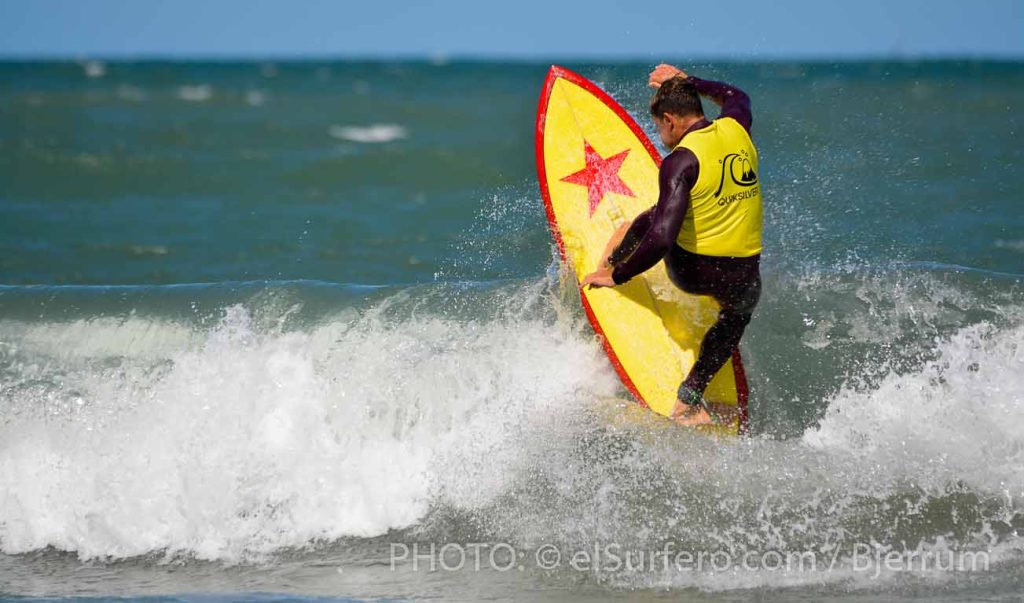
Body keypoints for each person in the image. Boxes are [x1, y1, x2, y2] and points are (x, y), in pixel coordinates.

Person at [581, 64, 763, 427]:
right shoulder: (736, 127)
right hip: (745, 274)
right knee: (735, 316)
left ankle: (615, 255)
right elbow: (735, 96)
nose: (660, 134)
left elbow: (663, 239)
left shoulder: (680, 161)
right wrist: (687, 81)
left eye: (658, 127)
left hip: (694, 272)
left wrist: (619, 275)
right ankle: (689, 398)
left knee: (654, 218)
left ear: (669, 120)